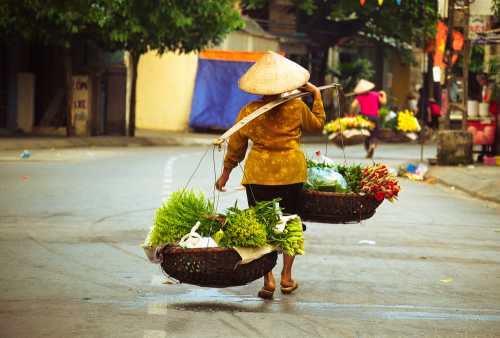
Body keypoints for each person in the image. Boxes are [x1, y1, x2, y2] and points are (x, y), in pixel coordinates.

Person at [215, 51, 325, 299]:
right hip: (291, 173)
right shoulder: (296, 107)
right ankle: (287, 276)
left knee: (263, 227)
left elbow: (236, 147)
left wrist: (225, 174)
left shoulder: (249, 112)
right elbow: (317, 124)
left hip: (259, 175)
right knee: (290, 223)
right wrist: (316, 95)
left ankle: (269, 280)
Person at [350, 79, 387, 158]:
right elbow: (383, 102)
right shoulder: (376, 94)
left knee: (366, 135)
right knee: (374, 134)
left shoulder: (360, 96)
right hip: (375, 117)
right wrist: (384, 94)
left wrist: (352, 114)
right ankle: (372, 145)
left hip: (365, 118)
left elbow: (353, 106)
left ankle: (368, 150)